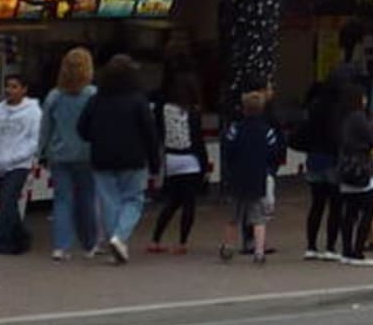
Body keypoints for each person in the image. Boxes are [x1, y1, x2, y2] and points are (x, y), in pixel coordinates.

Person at [77, 54, 157, 263]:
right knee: (133, 199)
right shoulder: (138, 100)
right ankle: (119, 237)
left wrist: (96, 138)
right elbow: (150, 132)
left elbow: (82, 128)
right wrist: (155, 162)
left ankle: (114, 239)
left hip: (102, 156)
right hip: (133, 156)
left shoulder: (96, 99)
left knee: (108, 201)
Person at [297, 39, 362, 262]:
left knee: (316, 203)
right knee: (336, 204)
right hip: (334, 158)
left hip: (315, 157)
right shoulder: (345, 106)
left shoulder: (317, 102)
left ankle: (311, 246)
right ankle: (331, 247)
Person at [37, 46, 98, 261]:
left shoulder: (54, 96)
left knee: (62, 200)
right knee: (87, 199)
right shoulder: (93, 95)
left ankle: (61, 246)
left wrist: (40, 152)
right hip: (87, 153)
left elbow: (45, 127)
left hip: (59, 154)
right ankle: (89, 244)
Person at [219, 89, 283, 265]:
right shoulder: (267, 131)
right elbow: (274, 152)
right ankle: (259, 252)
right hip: (258, 176)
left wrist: (231, 167)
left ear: (243, 108)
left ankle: (228, 247)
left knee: (233, 216)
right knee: (258, 218)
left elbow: (228, 150)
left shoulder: (235, 129)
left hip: (237, 176)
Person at [148, 76, 209, 253]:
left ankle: (155, 239)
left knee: (173, 202)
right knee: (189, 203)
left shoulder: (164, 109)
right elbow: (198, 140)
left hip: (171, 158)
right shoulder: (192, 112)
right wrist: (204, 165)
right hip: (190, 159)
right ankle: (182, 242)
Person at [0, 74, 41, 256]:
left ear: (24, 89)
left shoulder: (33, 112)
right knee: (6, 203)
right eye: (7, 86)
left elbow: (34, 140)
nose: (9, 90)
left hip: (19, 165)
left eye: (14, 87)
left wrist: (17, 157)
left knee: (8, 198)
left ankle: (1, 243)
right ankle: (22, 237)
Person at [332, 89, 373, 266]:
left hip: (346, 168)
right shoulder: (359, 117)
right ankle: (358, 251)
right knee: (368, 209)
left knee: (349, 212)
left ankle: (347, 250)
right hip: (361, 167)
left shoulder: (342, 118)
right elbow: (372, 139)